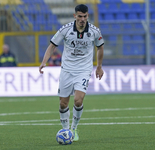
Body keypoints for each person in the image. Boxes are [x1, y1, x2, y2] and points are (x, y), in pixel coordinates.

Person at [39, 4, 104, 142]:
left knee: (78, 100)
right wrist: (44, 61)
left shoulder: (94, 31)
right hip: (67, 70)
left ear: (87, 16)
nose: (82, 19)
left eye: (85, 16)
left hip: (84, 70)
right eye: (80, 16)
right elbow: (52, 45)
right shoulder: (65, 29)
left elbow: (100, 48)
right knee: (63, 103)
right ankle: (65, 129)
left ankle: (74, 128)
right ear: (75, 16)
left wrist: (99, 67)